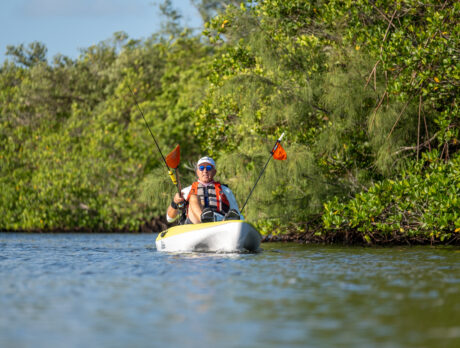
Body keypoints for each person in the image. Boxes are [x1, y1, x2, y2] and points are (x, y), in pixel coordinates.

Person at [166, 156, 242, 224]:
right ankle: (204, 220)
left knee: (232, 214)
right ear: (197, 172)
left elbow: (237, 214)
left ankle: (217, 222)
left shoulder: (226, 191)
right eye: (201, 168)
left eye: (208, 168)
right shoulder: (186, 191)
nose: (205, 171)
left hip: (219, 222)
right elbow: (169, 219)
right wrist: (175, 202)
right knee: (193, 197)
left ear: (214, 172)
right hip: (195, 223)